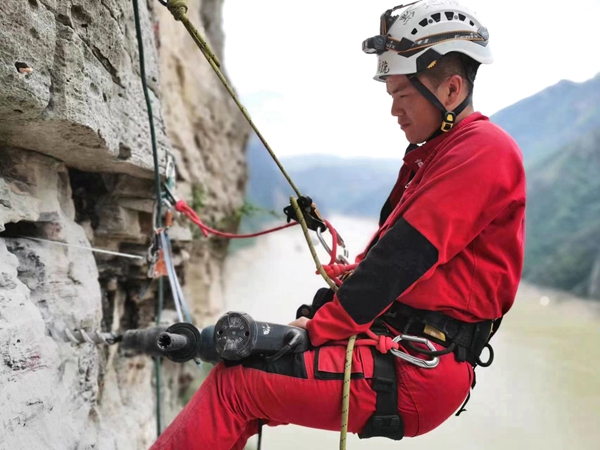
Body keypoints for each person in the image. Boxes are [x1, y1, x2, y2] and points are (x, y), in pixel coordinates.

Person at [150, 1, 526, 448]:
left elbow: (401, 260)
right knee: (244, 380)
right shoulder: (436, 155)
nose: (394, 111)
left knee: (238, 386)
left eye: (403, 96)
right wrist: (315, 312)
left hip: (418, 366)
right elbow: (383, 260)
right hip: (403, 346)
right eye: (391, 97)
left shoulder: (483, 151)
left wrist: (320, 327)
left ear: (451, 90)